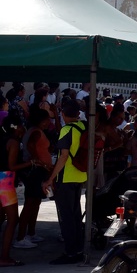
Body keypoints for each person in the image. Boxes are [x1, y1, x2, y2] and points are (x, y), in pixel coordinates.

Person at [42, 99, 87, 264]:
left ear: (62, 114)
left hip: (66, 177)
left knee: (66, 218)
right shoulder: (84, 127)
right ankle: (79, 249)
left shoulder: (67, 130)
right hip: (80, 176)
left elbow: (64, 156)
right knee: (75, 216)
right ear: (78, 114)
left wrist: (50, 179)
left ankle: (70, 253)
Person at [16, 108, 51, 248]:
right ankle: (20, 237)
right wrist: (37, 160)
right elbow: (31, 145)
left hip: (38, 170)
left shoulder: (34, 130)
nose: (49, 122)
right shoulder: (35, 132)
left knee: (35, 202)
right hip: (35, 170)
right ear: (42, 120)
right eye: (47, 119)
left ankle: (31, 233)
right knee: (30, 203)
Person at [0, 115, 27, 265]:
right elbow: (11, 166)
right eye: (22, 126)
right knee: (12, 220)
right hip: (5, 182)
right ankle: (4, 257)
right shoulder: (13, 142)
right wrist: (31, 162)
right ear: (16, 128)